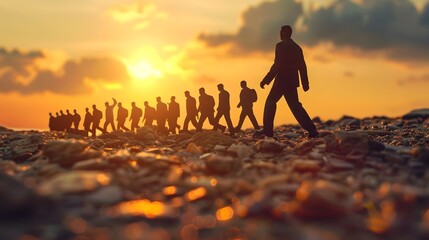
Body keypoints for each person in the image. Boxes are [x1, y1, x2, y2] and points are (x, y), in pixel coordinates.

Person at [259, 25, 318, 138]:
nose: (280, 34)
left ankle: (267, 132)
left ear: (285, 33)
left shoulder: (280, 46)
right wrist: (305, 83)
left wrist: (266, 80)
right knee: (295, 106)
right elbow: (302, 66)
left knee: (270, 102)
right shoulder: (297, 47)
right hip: (292, 81)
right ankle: (312, 130)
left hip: (281, 80)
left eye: (281, 32)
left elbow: (277, 64)